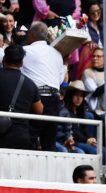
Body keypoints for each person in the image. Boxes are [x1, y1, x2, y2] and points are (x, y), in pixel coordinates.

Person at [22, 22, 64, 151]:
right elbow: (60, 80)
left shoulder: (25, 50)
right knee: (49, 142)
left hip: (35, 99)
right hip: (53, 98)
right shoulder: (57, 54)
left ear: (31, 35)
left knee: (29, 139)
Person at [0, 45, 43, 150]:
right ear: (21, 63)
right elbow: (40, 110)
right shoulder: (30, 84)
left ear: (4, 59)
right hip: (19, 136)